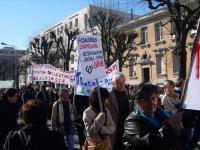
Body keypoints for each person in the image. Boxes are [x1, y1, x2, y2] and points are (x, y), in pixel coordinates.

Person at [123, 83, 185, 150]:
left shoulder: (161, 114)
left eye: (153, 98)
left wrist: (180, 125)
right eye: (146, 100)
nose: (152, 102)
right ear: (137, 102)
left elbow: (181, 137)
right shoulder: (131, 122)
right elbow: (148, 143)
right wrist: (170, 126)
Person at [109, 72, 130, 150]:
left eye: (123, 82)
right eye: (118, 82)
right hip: (115, 127)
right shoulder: (109, 94)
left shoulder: (125, 91)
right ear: (113, 82)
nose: (121, 85)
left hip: (126, 126)